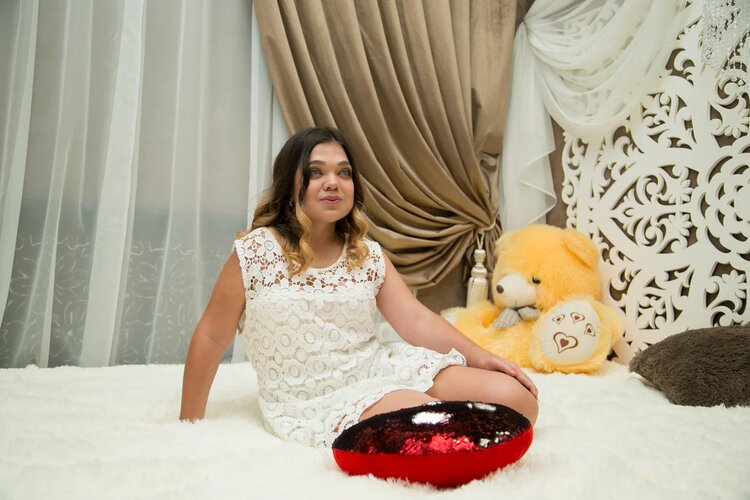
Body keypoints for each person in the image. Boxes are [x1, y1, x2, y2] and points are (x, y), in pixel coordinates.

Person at [179, 126, 538, 447]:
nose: (333, 182)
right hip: (314, 400)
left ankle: (448, 425)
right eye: (315, 172)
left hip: (376, 369)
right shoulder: (255, 252)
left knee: (518, 400)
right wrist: (188, 425)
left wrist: (480, 356)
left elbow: (416, 320)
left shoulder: (366, 254)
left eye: (344, 172)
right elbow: (212, 335)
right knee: (429, 421)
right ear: (290, 186)